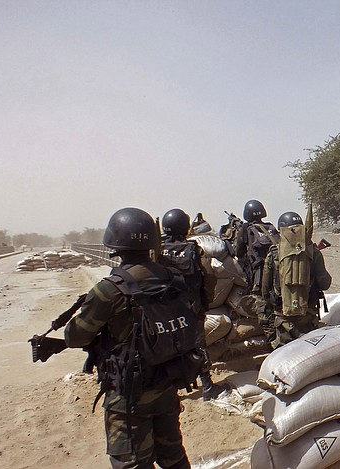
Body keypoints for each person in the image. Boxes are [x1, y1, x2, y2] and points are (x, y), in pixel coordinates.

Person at [64, 207, 191, 469]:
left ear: (115, 243)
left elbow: (74, 336)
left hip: (129, 396)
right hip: (167, 383)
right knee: (174, 457)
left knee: (131, 462)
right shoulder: (174, 280)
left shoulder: (110, 289)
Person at [160, 208, 223, 401]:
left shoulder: (156, 251)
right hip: (190, 308)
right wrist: (206, 302)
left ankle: (168, 390)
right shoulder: (194, 249)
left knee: (165, 347)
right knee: (197, 345)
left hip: (162, 311)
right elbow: (209, 277)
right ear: (186, 228)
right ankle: (207, 386)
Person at [261, 211, 332, 348]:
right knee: (309, 352)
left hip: (282, 318)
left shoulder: (273, 254)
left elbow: (265, 289)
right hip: (308, 315)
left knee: (284, 355)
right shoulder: (313, 252)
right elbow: (325, 283)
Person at [234, 199, 279, 294]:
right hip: (276, 269)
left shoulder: (246, 229)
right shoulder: (270, 227)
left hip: (257, 273)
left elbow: (238, 252)